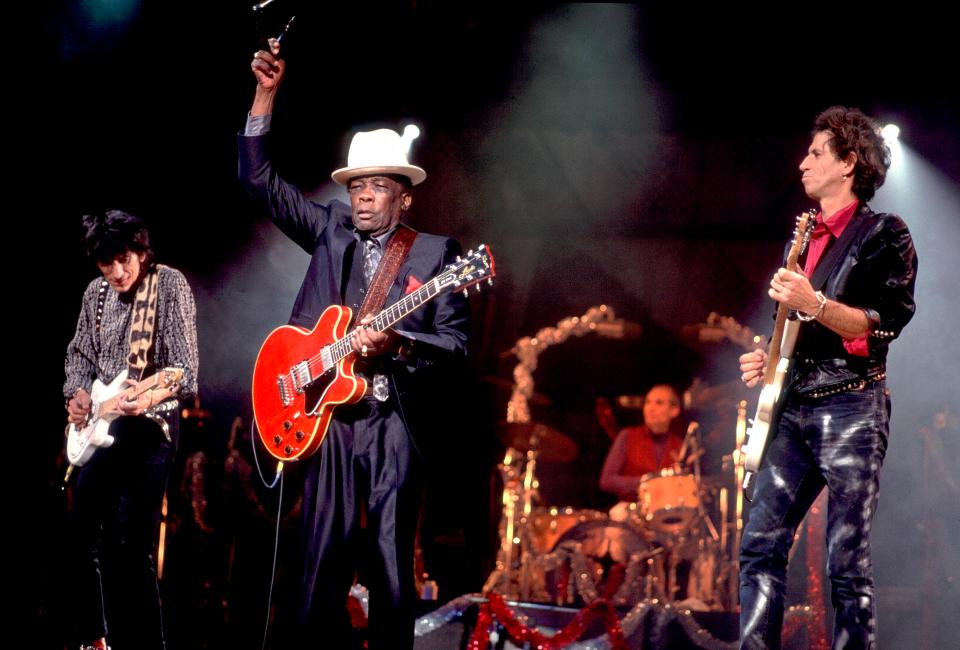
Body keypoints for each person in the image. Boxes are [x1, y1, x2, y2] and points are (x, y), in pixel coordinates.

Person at [240, 38, 470, 649]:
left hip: (393, 419)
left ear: (405, 194)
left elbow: (455, 345)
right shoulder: (328, 228)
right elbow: (258, 179)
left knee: (391, 562)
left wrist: (397, 343)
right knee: (319, 561)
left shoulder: (435, 253)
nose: (364, 196)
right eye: (357, 185)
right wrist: (266, 94)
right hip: (330, 416)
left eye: (378, 187)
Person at [738, 106, 917, 649]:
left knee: (845, 559)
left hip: (851, 407)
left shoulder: (885, 233)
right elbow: (793, 333)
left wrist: (814, 303)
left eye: (817, 153)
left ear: (850, 162)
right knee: (759, 547)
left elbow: (881, 325)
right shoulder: (803, 237)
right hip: (792, 407)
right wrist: (764, 361)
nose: (802, 163)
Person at [64, 210, 199, 650]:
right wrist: (77, 394)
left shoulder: (169, 284)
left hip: (150, 426)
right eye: (106, 264)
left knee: (131, 541)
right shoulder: (95, 294)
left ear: (141, 250)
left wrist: (142, 398)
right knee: (80, 527)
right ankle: (93, 638)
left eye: (124, 259)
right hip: (104, 425)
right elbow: (80, 352)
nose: (117, 273)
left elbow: (184, 371)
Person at [599, 384, 687, 502]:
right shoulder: (628, 435)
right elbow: (607, 480)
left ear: (674, 411)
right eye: (647, 402)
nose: (650, 408)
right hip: (631, 507)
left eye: (659, 403)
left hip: (664, 509)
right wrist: (647, 482)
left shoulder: (679, 445)